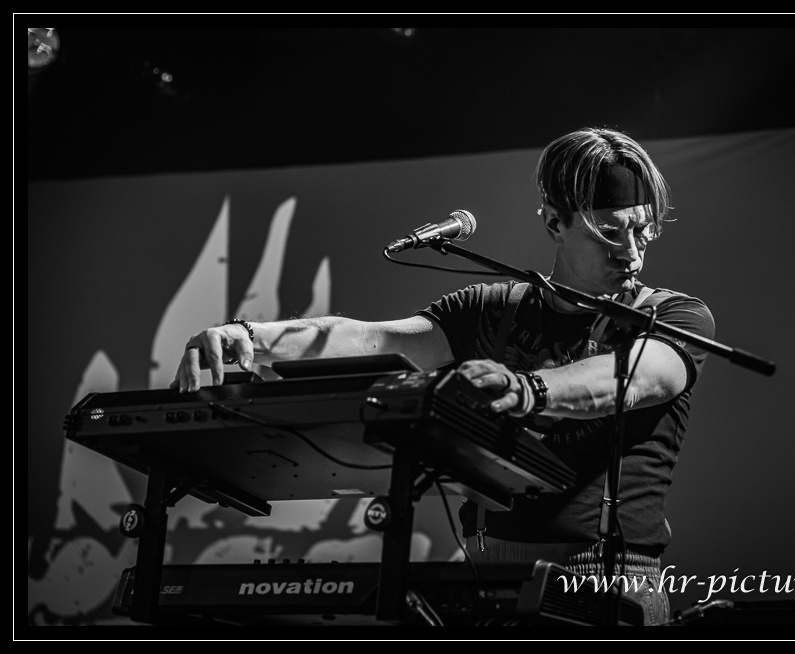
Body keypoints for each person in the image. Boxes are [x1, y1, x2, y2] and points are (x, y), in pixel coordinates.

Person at [173, 127, 715, 626]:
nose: (631, 252)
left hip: (609, 574)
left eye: (643, 229)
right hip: (484, 569)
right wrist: (250, 336)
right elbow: (370, 338)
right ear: (555, 222)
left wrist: (524, 389)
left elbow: (631, 379)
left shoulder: (676, 316)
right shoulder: (491, 309)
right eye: (610, 233)